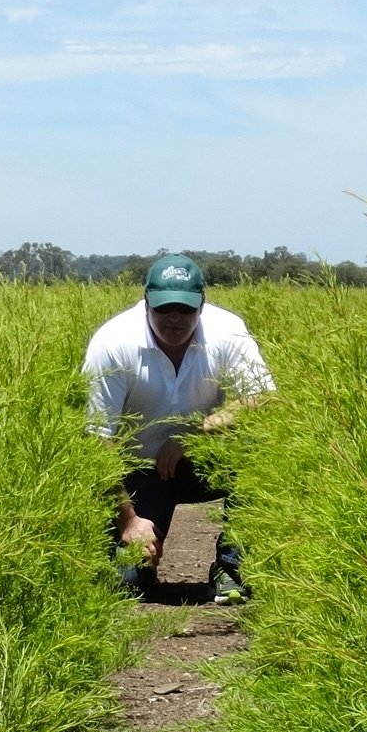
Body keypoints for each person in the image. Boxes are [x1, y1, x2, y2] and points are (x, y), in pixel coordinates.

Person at [83, 253, 274, 604]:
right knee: (128, 583)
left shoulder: (227, 330)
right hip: (137, 472)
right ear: (146, 302)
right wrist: (128, 522)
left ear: (202, 304)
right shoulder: (112, 344)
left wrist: (196, 434)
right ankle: (137, 551)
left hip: (200, 459)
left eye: (185, 309)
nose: (174, 318)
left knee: (266, 457)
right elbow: (99, 444)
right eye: (164, 308)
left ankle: (231, 567)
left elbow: (261, 397)